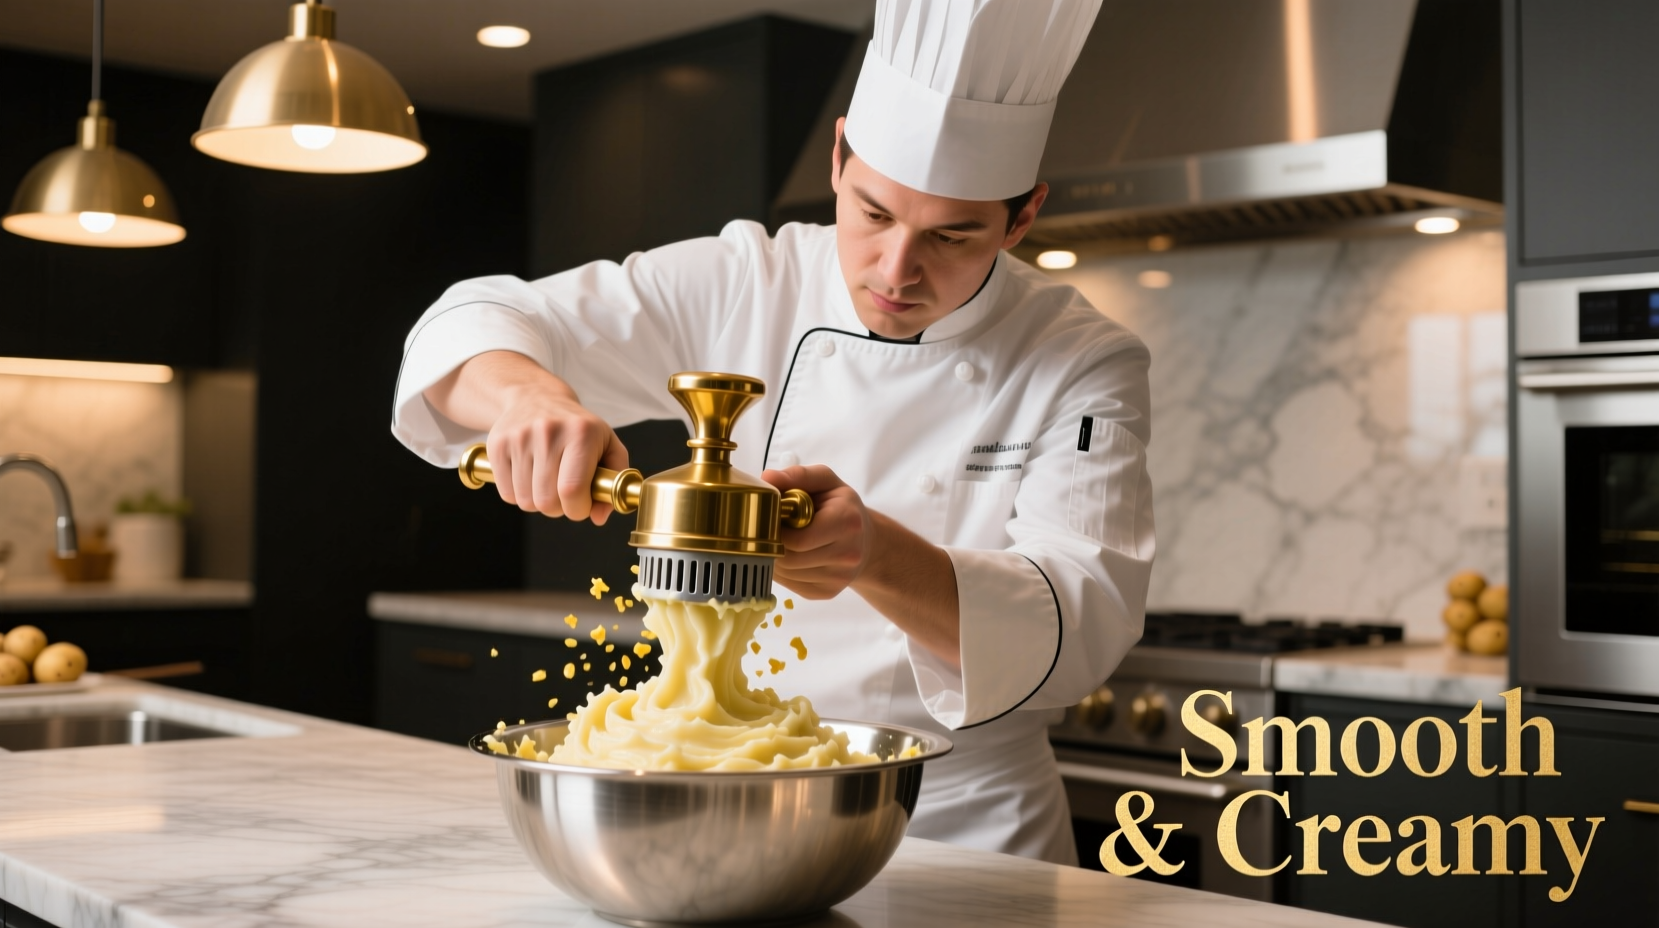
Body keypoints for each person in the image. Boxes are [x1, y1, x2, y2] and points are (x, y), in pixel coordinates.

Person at [391, 0, 1152, 866]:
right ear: (838, 157)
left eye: (952, 236)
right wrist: (528, 397)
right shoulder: (748, 278)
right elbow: (472, 321)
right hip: (735, 785)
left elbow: (1083, 622)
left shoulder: (1083, 358)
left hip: (966, 823)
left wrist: (877, 556)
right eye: (872, 214)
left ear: (1022, 218)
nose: (896, 270)